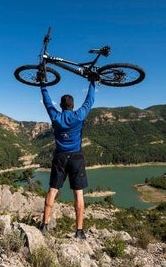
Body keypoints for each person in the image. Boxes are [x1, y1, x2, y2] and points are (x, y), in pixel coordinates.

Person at [39, 79, 96, 239]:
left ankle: (44, 225)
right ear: (72, 105)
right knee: (78, 193)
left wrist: (43, 84)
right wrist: (92, 82)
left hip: (60, 157)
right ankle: (79, 231)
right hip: (76, 158)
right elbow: (90, 100)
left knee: (53, 189)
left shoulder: (56, 117)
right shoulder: (78, 116)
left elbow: (47, 102)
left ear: (62, 106)